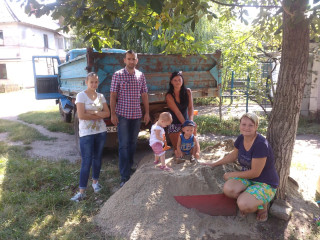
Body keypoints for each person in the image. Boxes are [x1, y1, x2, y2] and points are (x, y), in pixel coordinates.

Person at [201, 112, 279, 222]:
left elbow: (255, 173)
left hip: (265, 183)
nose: (246, 128)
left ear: (256, 127)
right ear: (240, 125)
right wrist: (213, 164)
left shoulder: (260, 144)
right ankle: (250, 197)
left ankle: (262, 206)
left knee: (243, 204)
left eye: (251, 125)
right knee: (228, 189)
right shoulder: (241, 138)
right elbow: (233, 155)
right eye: (244, 124)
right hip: (248, 179)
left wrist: (232, 174)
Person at [110, 50, 150, 187]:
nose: (131, 61)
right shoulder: (118, 75)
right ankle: (124, 176)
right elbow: (113, 95)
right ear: (124, 60)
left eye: (133, 59)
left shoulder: (140, 76)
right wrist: (113, 114)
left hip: (136, 115)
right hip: (123, 115)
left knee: (133, 144)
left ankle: (129, 167)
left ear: (137, 61)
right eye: (129, 59)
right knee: (123, 145)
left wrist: (147, 113)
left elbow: (144, 95)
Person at [71, 72, 110, 202]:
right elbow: (81, 116)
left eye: (96, 82)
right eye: (91, 82)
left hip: (101, 131)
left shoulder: (101, 96)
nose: (94, 84)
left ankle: (95, 183)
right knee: (86, 161)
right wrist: (99, 114)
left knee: (98, 158)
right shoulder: (81, 96)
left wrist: (91, 112)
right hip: (86, 134)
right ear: (86, 82)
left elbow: (107, 113)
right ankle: (81, 191)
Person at [166, 71, 199, 154]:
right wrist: (185, 125)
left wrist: (190, 122)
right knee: (178, 149)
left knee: (193, 145)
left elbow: (191, 107)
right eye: (175, 80)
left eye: (179, 80)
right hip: (175, 123)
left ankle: (195, 151)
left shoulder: (188, 92)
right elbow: (177, 112)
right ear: (171, 82)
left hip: (186, 121)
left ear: (182, 80)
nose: (177, 82)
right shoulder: (169, 96)